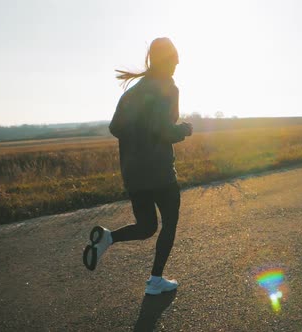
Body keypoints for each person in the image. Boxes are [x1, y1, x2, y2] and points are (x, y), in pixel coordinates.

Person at [83, 37, 193, 296]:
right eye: (175, 57)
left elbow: (115, 127)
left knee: (146, 227)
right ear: (165, 60)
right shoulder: (167, 87)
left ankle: (108, 239)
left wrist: (141, 134)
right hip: (160, 172)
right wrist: (183, 130)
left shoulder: (133, 92)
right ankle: (156, 281)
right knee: (169, 223)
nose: (178, 61)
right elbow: (164, 130)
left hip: (134, 174)